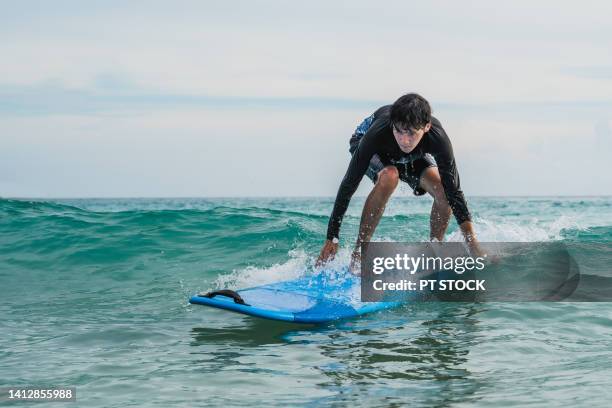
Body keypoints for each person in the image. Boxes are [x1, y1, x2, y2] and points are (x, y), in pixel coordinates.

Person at [316, 93, 482, 273]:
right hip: (370, 147)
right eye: (399, 131)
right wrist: (332, 237)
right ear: (392, 125)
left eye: (411, 133)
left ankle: (434, 251)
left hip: (411, 156)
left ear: (426, 127)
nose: (404, 140)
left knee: (443, 189)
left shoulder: (438, 139)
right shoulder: (377, 133)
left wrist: (473, 246)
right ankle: (360, 253)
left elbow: (454, 191)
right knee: (390, 175)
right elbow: (349, 184)